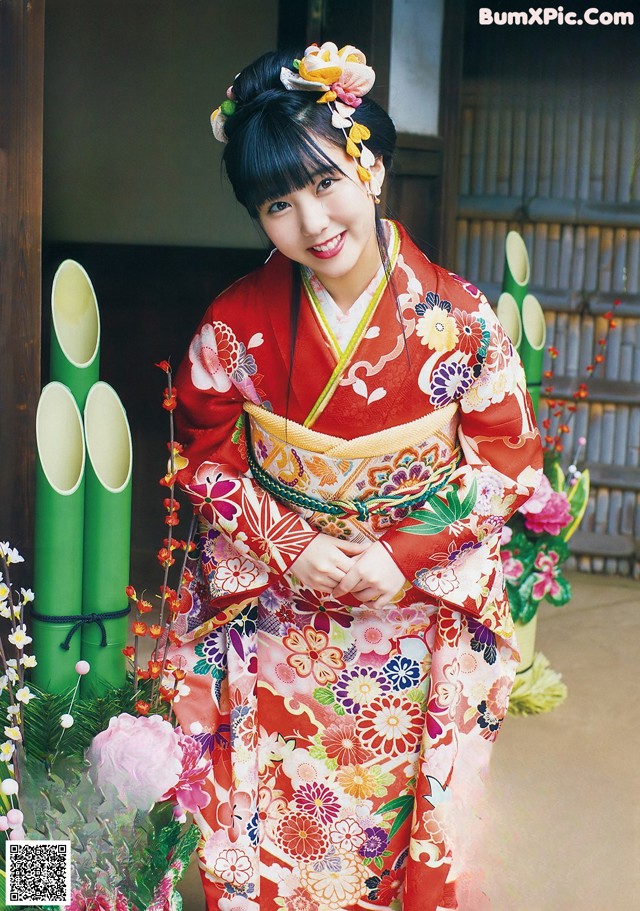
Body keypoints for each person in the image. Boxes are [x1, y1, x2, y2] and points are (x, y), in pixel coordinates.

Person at [168, 41, 543, 911]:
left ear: (369, 163)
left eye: (326, 181)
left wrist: (405, 552)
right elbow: (204, 450)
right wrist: (288, 542)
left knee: (397, 826)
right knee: (277, 819)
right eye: (277, 204)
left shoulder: (460, 317)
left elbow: (507, 456)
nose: (312, 220)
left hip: (407, 615)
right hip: (282, 613)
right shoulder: (233, 325)